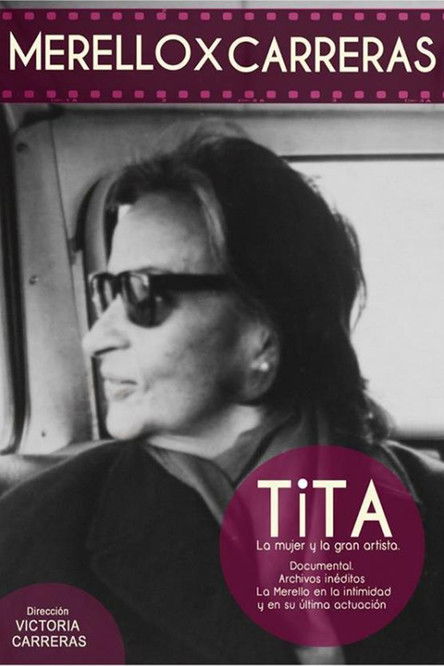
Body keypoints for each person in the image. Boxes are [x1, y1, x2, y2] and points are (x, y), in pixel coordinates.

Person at [0, 127, 443, 664]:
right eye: (107, 292)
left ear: (263, 334)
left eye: (143, 293)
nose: (96, 338)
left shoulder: (431, 509)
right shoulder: (32, 537)